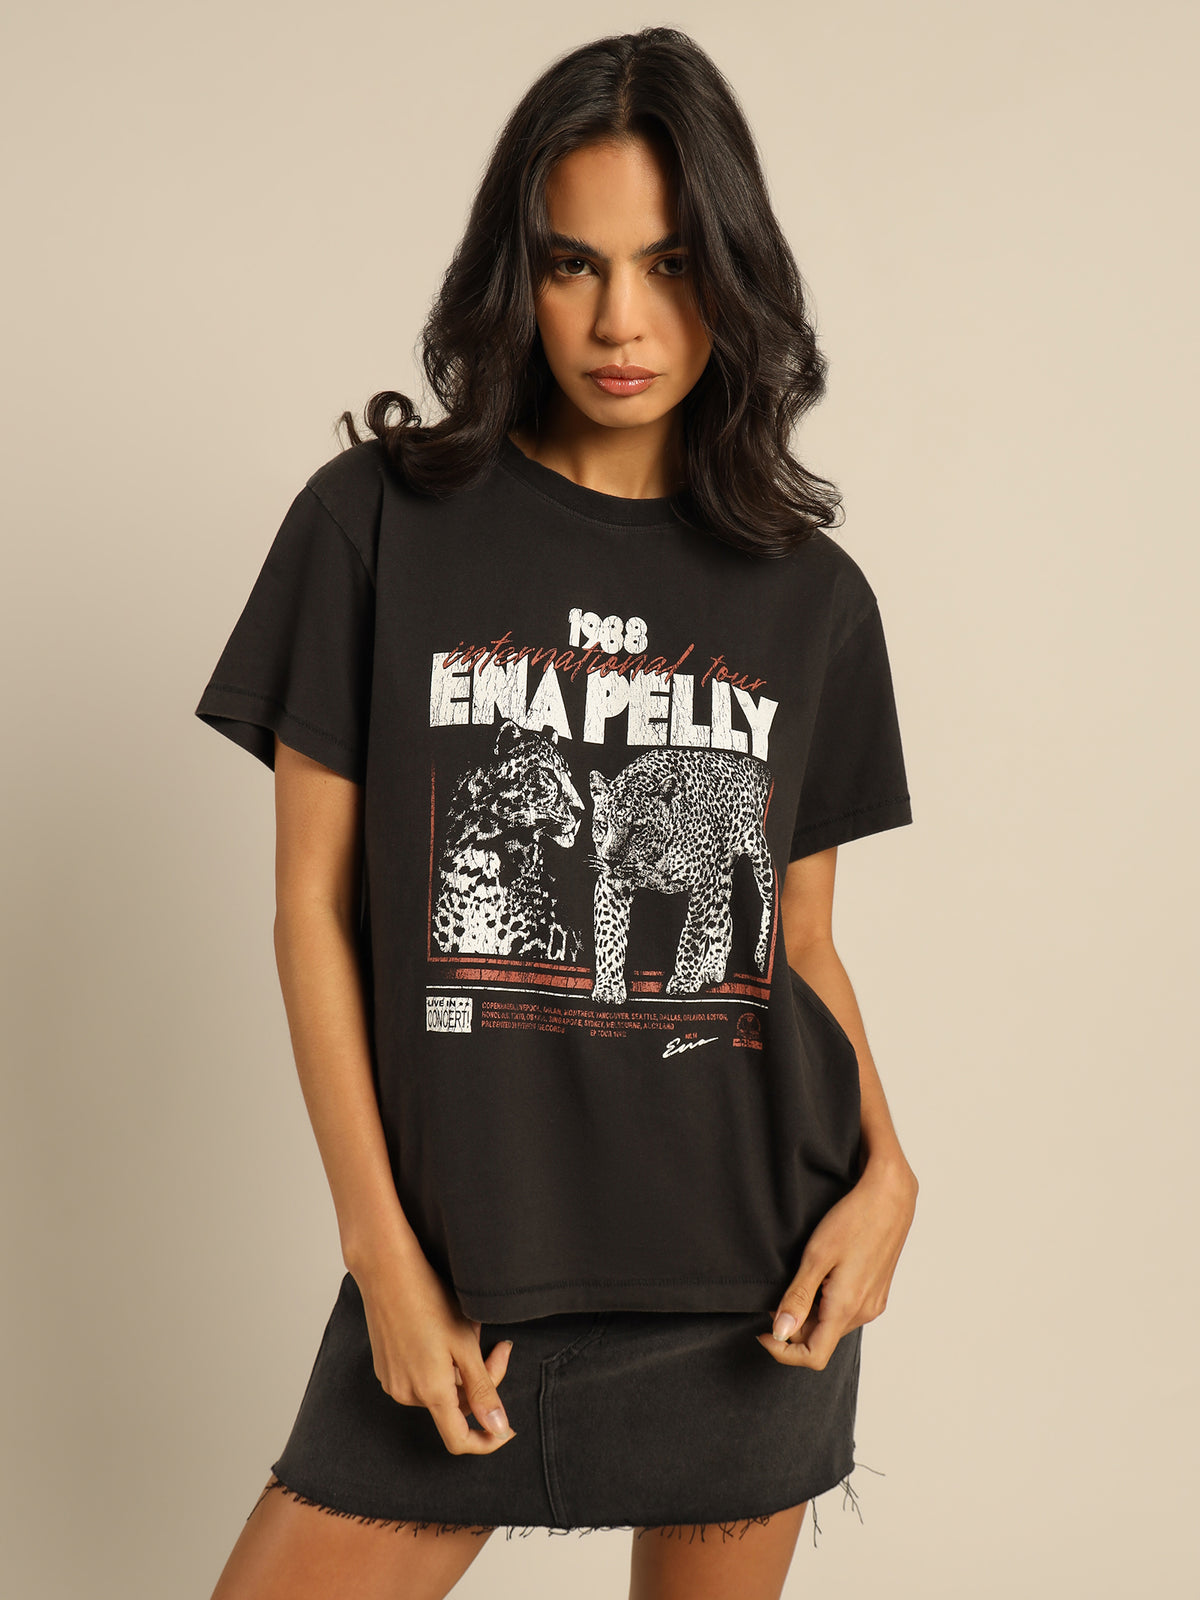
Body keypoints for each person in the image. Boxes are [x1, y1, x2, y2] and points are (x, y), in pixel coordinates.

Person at [195, 26, 919, 1600]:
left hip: (754, 1284)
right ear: (513, 275)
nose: (620, 321)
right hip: (468, 1275)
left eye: (670, 265)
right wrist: (383, 1257)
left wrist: (890, 1173)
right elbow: (312, 912)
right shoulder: (376, 526)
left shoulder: (810, 598)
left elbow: (795, 948)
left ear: (734, 276)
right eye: (572, 264)